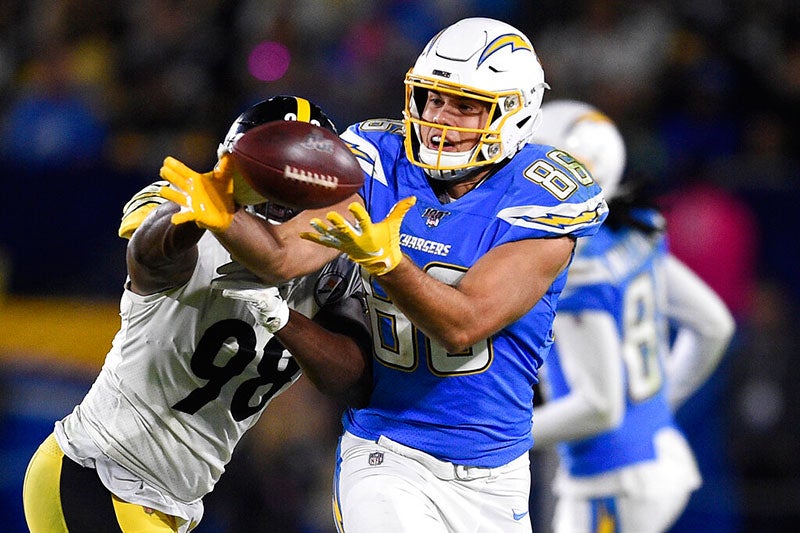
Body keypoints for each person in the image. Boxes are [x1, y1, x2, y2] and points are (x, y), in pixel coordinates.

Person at [160, 18, 609, 532]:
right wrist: (221, 213)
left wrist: (389, 265)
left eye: (465, 105)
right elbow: (283, 257)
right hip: (387, 453)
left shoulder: (545, 194)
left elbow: (465, 323)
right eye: (433, 99)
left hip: (497, 472)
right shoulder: (379, 158)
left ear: (514, 112)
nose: (441, 118)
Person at [21, 96, 374, 533]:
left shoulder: (331, 265)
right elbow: (148, 259)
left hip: (173, 501)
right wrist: (199, 210)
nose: (282, 192)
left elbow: (351, 379)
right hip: (100, 473)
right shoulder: (189, 211)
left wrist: (282, 317)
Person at [529, 99, 736, 532]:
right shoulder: (631, 228)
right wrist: (662, 401)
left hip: (614, 475)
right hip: (658, 451)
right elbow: (714, 326)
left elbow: (600, 408)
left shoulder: (578, 265)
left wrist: (495, 434)